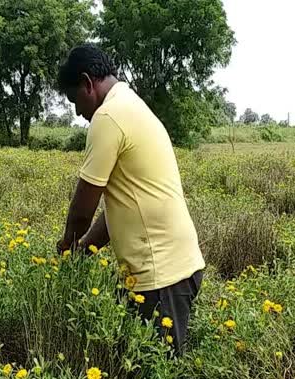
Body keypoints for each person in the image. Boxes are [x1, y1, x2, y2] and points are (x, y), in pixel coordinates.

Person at [56, 44, 205, 355]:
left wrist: (67, 245)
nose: (78, 112)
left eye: (75, 100)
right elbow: (122, 206)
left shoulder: (109, 115)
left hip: (161, 275)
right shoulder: (129, 104)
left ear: (88, 83)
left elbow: (84, 207)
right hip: (168, 271)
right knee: (140, 368)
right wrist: (84, 250)